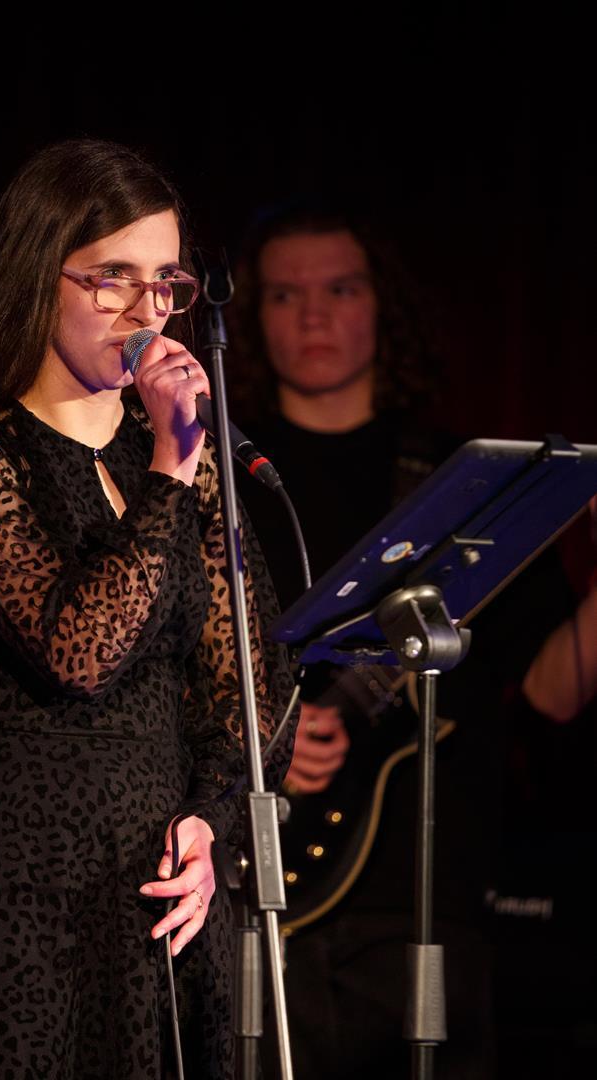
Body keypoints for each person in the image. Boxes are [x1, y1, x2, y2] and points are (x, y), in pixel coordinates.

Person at [0, 140, 293, 1078]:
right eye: (112, 279)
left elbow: (254, 692)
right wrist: (172, 469)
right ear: (35, 275)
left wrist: (209, 822)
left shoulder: (186, 458)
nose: (147, 312)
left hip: (158, 909)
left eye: (165, 282)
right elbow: (78, 651)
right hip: (12, 898)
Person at [228, 204, 576, 1078]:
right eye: (284, 294)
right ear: (253, 317)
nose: (313, 315)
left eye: (339, 289)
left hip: (424, 903)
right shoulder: (221, 479)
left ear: (382, 305)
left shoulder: (469, 481)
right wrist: (257, 735)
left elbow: (553, 691)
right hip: (252, 896)